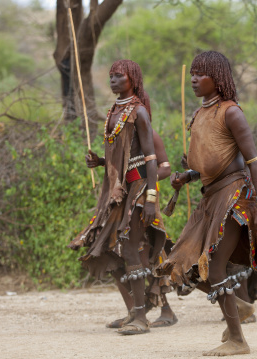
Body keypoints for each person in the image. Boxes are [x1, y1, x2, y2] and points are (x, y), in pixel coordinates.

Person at [157, 51, 257, 356]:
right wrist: (187, 177)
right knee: (186, 267)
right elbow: (211, 163)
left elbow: (253, 164)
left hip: (234, 197)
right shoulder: (200, 113)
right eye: (192, 73)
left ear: (217, 78)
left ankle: (237, 340)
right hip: (210, 197)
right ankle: (240, 305)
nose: (193, 79)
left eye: (200, 74)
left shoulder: (231, 112)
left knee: (215, 268)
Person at [68, 59, 168, 335]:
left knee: (131, 245)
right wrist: (102, 161)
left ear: (133, 78)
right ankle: (135, 312)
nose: (113, 80)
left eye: (119, 76)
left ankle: (141, 318)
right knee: (109, 246)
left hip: (137, 190)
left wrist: (149, 198)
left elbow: (150, 160)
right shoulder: (115, 110)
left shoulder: (139, 113)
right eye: (110, 76)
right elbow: (122, 156)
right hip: (117, 192)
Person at [105, 128, 177, 329]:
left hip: (143, 198)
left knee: (146, 254)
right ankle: (134, 310)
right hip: (123, 201)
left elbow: (165, 168)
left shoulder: (150, 135)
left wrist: (142, 184)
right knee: (114, 253)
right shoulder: (122, 137)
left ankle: (164, 309)